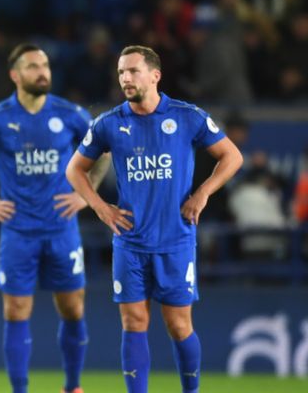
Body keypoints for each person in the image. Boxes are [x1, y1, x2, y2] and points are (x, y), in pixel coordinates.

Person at [66, 45, 243, 393]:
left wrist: (203, 192)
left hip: (175, 241)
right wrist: (100, 207)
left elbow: (231, 156)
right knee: (134, 322)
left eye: (132, 71)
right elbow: (75, 170)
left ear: (155, 75)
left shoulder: (187, 116)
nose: (125, 78)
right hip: (130, 241)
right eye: (120, 72)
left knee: (179, 325)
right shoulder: (109, 123)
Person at [0, 43, 111, 393]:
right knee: (16, 309)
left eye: (46, 65)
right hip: (18, 232)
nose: (43, 72)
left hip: (61, 228)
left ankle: (72, 387)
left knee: (71, 306)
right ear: (15, 75)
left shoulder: (69, 114)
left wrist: (87, 194)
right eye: (34, 66)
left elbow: (105, 150)